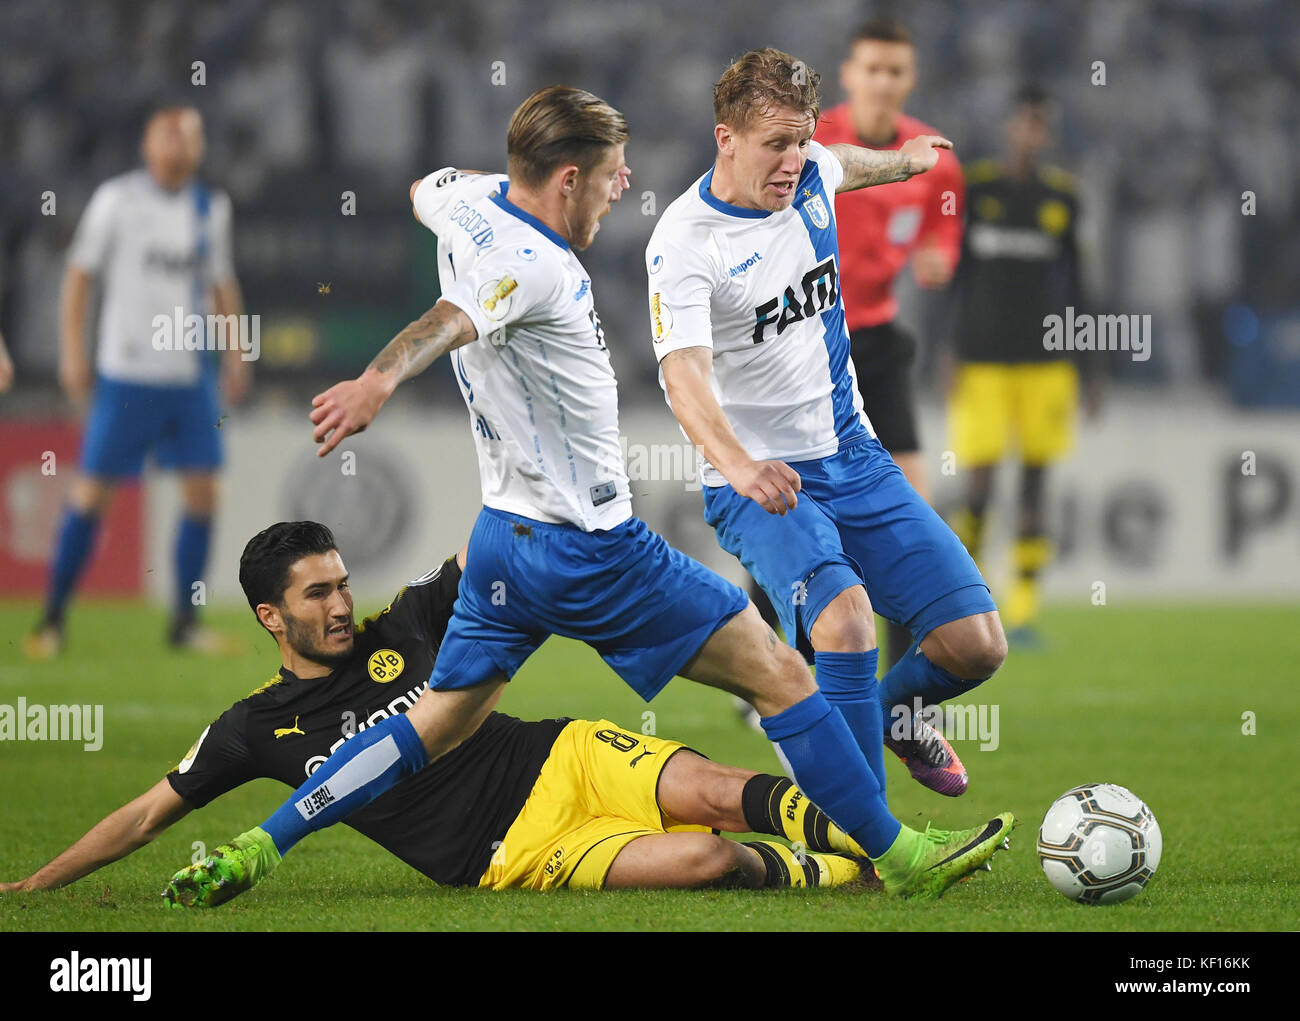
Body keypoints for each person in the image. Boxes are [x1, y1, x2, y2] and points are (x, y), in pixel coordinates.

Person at [164, 85, 1013, 908]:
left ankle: (258, 844)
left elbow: (428, 187)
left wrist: (900, 160)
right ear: (568, 178)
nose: (621, 191)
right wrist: (375, 383)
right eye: (610, 176)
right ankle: (896, 856)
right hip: (595, 547)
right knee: (785, 675)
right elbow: (451, 318)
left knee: (431, 725)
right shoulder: (533, 264)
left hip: (501, 541)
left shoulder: (466, 200)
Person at [1, 521, 874, 899]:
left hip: (559, 754)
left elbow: (489, 536)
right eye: (317, 594)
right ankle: (835, 875)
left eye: (343, 583)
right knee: (702, 862)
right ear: (271, 617)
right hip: (505, 852)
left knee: (722, 791)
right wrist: (39, 883)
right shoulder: (253, 728)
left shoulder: (407, 620)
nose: (341, 605)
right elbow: (150, 812)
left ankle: (882, 851)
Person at [647, 48, 1004, 804]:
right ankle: (865, 848)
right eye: (774, 144)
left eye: (799, 140)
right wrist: (740, 465)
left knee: (976, 646)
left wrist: (902, 162)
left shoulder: (811, 174)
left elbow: (840, 161)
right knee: (845, 625)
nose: (792, 160)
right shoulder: (685, 241)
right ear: (726, 138)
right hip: (762, 483)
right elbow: (682, 377)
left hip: (855, 455)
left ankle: (887, 720)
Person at [23, 104, 250, 658]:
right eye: (169, 135)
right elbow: (79, 278)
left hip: (187, 376)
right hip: (126, 375)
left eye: (189, 136)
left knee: (203, 493)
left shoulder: (209, 206)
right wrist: (73, 352)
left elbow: (221, 284)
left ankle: (184, 624)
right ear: (148, 145)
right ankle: (51, 620)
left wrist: (236, 354)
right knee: (92, 492)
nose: (180, 145)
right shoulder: (116, 200)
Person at [812, 17, 965, 670]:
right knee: (792, 502)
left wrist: (938, 256)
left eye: (894, 70)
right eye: (870, 68)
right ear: (848, 75)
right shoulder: (815, 144)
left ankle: (907, 686)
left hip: (876, 337)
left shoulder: (937, 159)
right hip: (808, 342)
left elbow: (943, 234)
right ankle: (770, 664)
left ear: (910, 77)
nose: (882, 81)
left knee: (912, 499)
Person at [946, 85, 1099, 645]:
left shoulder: (1063, 199)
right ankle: (967, 602)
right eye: (1024, 123)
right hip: (983, 361)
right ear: (1010, 127)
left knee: (1036, 484)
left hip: (1046, 365)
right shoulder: (975, 187)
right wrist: (949, 349)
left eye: (1040, 125)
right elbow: (955, 277)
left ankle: (1026, 609)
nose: (1030, 133)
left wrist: (1092, 369)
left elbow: (1080, 288)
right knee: (979, 486)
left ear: (1047, 133)